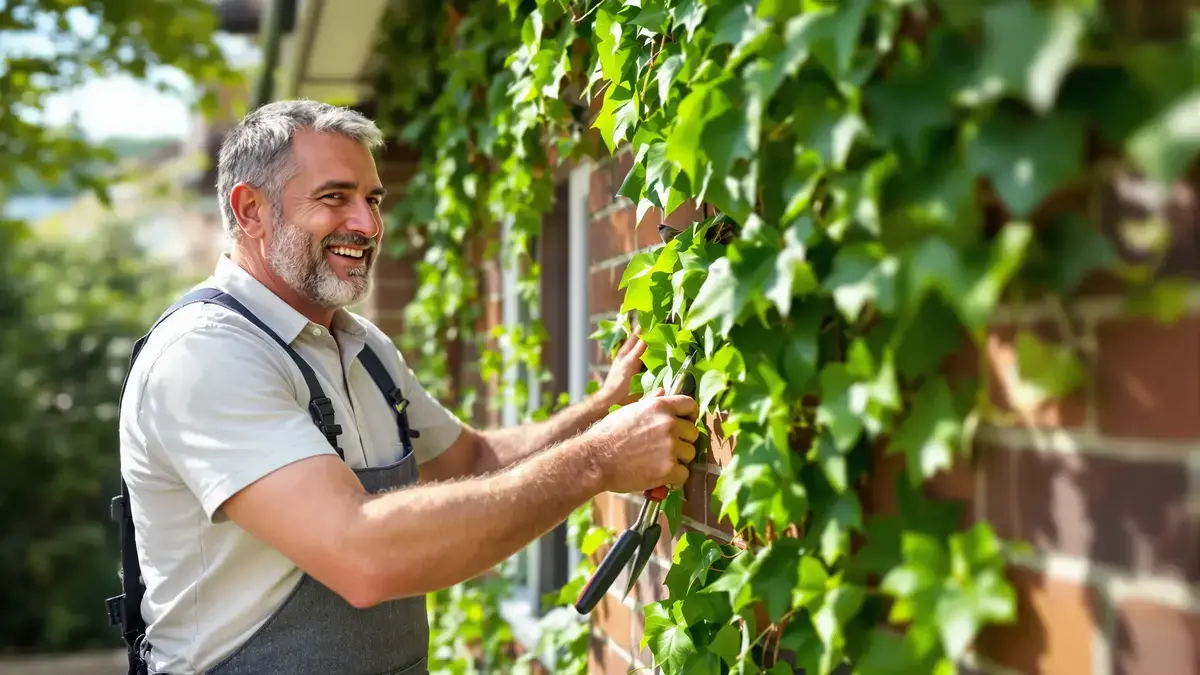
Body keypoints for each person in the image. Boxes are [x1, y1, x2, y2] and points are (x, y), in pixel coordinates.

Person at [116, 99, 699, 675]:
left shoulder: (360, 346)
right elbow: (361, 554)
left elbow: (474, 460)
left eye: (372, 200)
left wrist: (603, 411)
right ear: (251, 211)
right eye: (334, 197)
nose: (368, 225)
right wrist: (598, 461)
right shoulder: (206, 354)